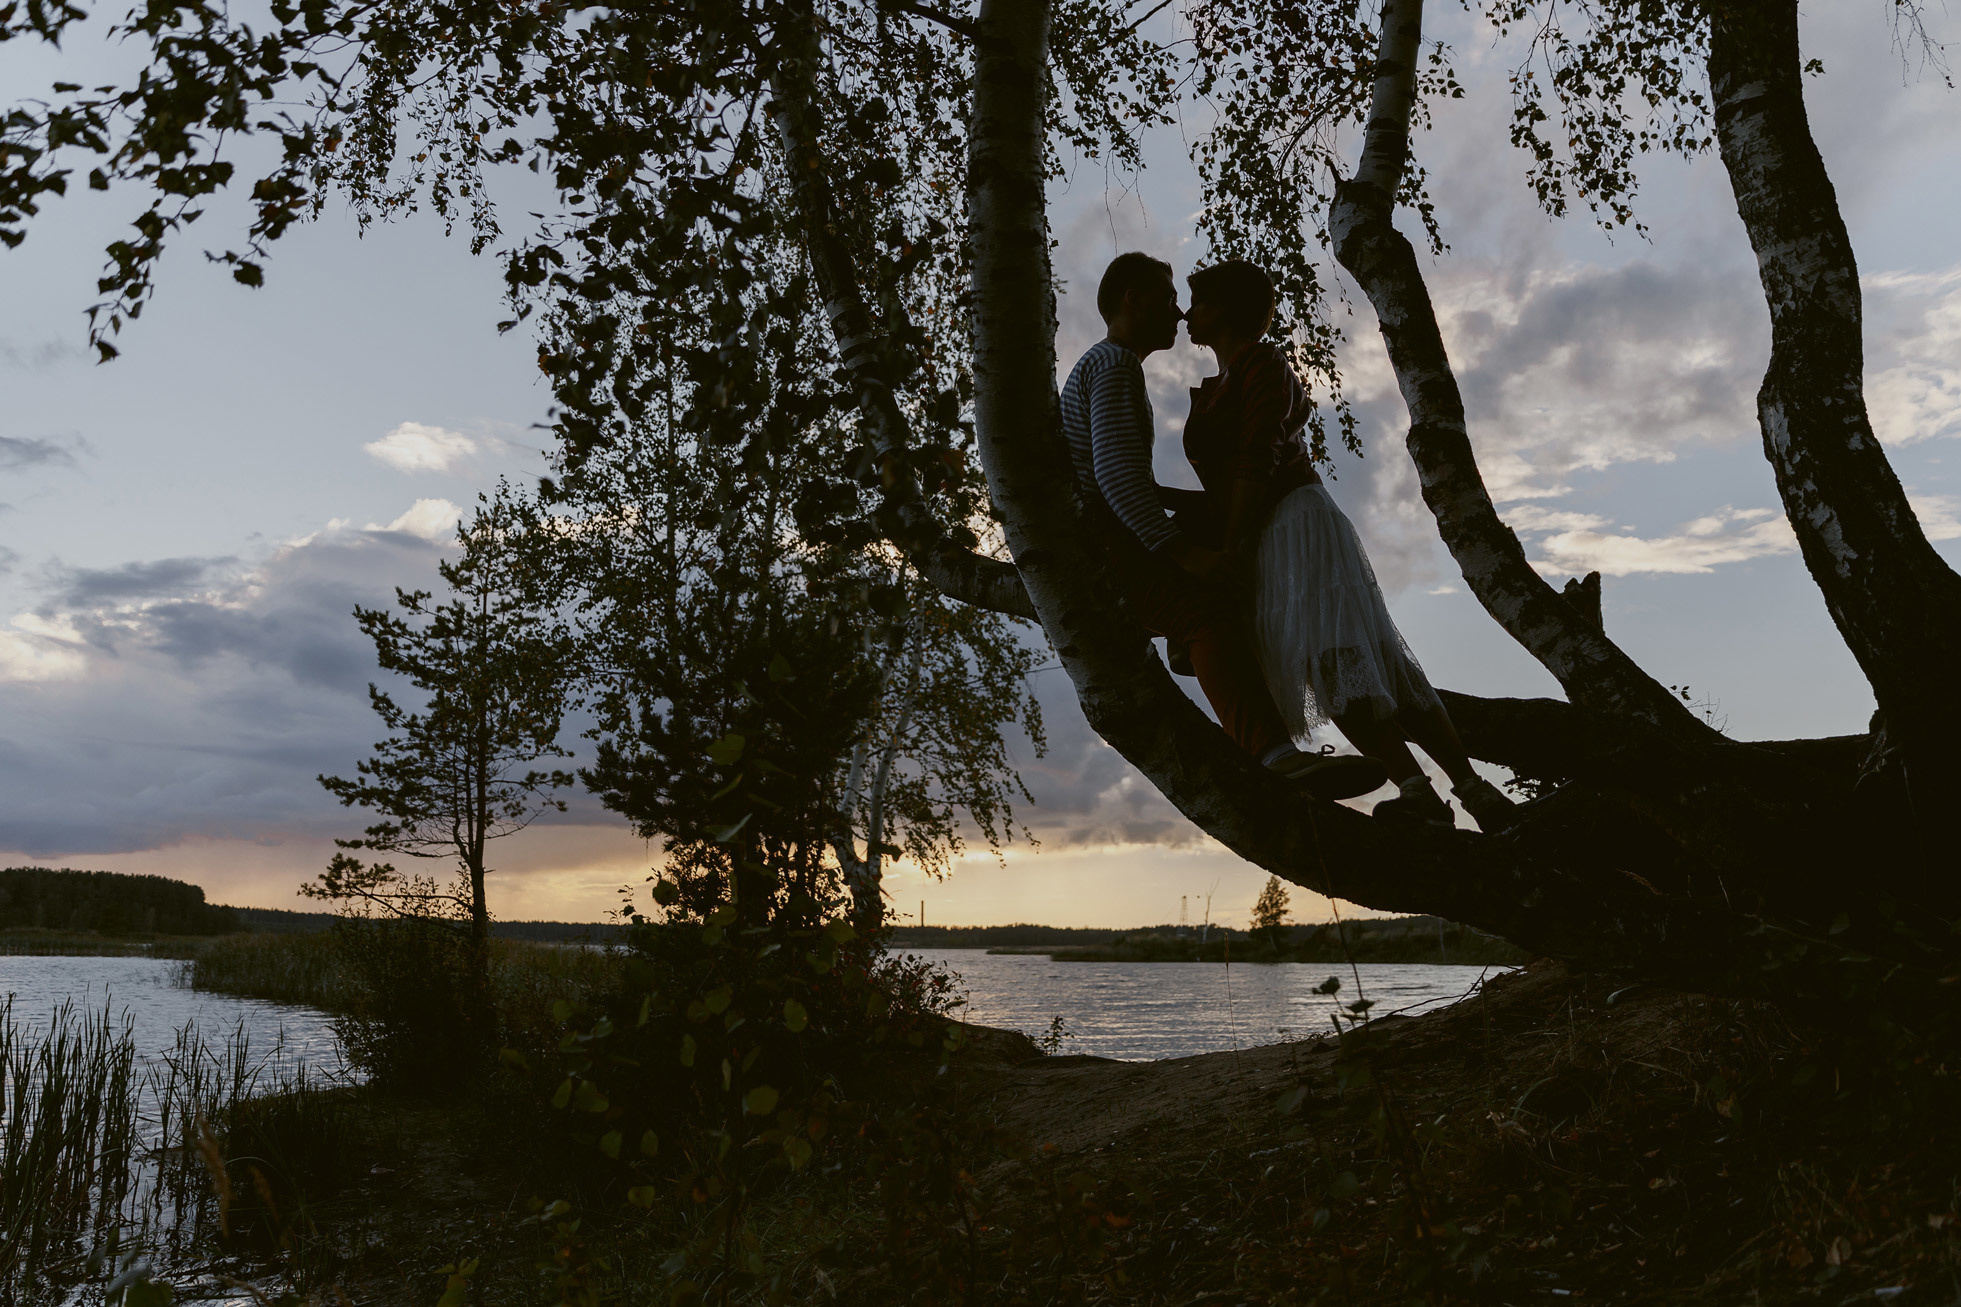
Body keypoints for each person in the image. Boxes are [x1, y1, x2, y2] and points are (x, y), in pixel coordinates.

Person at [1179, 258, 1516, 831]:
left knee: (1341, 660)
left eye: (1201, 301)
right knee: (1354, 659)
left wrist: (1232, 546)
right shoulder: (1225, 383)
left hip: (1290, 522)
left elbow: (1256, 459)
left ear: (1227, 309)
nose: (1189, 313)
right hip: (1268, 525)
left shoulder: (1262, 365)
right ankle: (1449, 793)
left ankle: (1445, 792)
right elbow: (1226, 483)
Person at [1059, 252, 1386, 801]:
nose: (1178, 310)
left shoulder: (1106, 366)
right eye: (1166, 298)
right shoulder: (1114, 365)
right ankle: (1275, 756)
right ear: (1131, 300)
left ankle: (1245, 714)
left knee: (1208, 599)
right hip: (1102, 545)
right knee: (1202, 613)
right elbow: (1115, 479)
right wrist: (1187, 556)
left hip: (1099, 539)